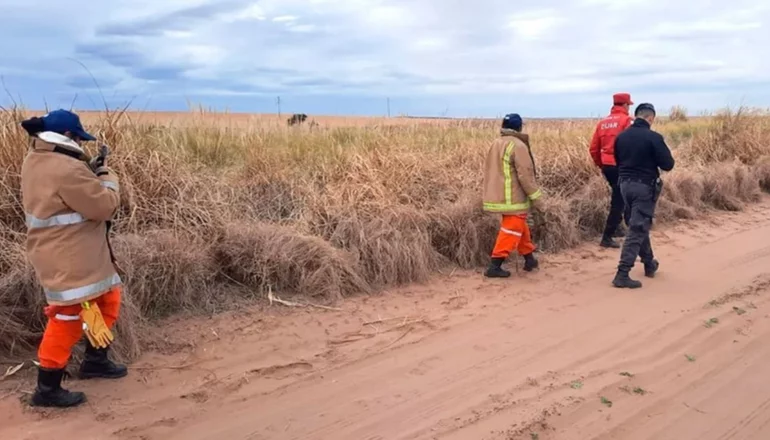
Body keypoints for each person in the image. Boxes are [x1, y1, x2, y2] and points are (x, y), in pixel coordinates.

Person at [20, 109, 127, 408]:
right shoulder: (66, 168)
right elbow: (104, 206)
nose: (82, 142)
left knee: (106, 300)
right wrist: (106, 176)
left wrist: (89, 173)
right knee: (67, 317)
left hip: (72, 252)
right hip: (70, 256)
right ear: (67, 136)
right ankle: (47, 387)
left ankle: (96, 359)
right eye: (79, 138)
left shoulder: (38, 159)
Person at [612, 103, 675, 288]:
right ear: (650, 118)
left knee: (637, 223)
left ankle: (649, 263)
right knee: (638, 228)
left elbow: (617, 160)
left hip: (624, 185)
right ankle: (622, 273)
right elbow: (668, 164)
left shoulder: (621, 137)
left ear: (635, 116)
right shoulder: (654, 138)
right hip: (644, 187)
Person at [482, 113, 544, 278]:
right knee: (512, 227)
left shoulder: (496, 143)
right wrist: (536, 198)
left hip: (497, 193)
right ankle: (495, 264)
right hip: (512, 196)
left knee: (520, 225)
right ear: (519, 127)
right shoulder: (518, 145)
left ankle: (529, 259)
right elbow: (526, 175)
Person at [589, 93, 635, 249]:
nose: (629, 108)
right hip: (621, 166)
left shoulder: (603, 123)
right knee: (619, 200)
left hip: (607, 166)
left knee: (618, 196)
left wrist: (601, 165)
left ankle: (617, 228)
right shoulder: (627, 121)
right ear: (625, 105)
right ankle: (607, 236)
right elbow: (631, 145)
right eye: (629, 105)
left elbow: (593, 148)